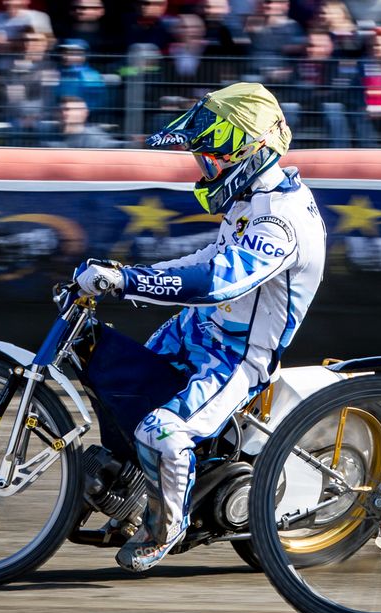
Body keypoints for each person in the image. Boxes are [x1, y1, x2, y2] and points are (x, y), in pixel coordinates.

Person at [71, 82, 327, 571]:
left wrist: (126, 282)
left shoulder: (279, 218)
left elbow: (217, 281)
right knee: (119, 385)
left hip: (238, 357)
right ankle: (132, 487)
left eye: (211, 158)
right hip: (196, 328)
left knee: (160, 430)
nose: (204, 168)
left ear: (249, 150)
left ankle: (166, 527)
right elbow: (208, 257)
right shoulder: (252, 197)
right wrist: (128, 275)